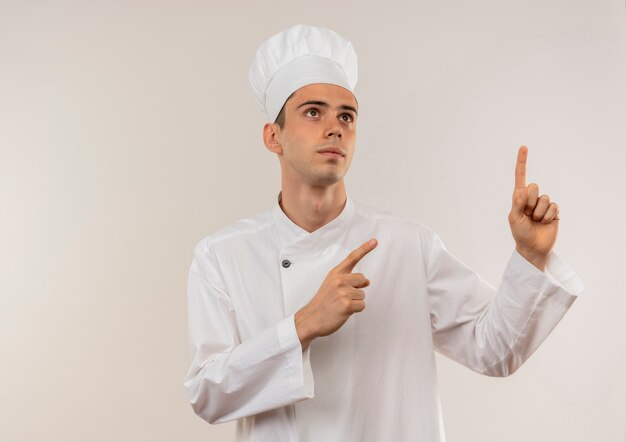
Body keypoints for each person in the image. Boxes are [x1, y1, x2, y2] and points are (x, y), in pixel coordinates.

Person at [183, 24, 584, 442]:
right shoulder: (222, 255)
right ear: (273, 137)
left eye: (346, 116)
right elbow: (206, 394)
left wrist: (530, 256)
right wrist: (302, 325)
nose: (335, 127)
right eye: (313, 112)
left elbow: (496, 351)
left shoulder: (408, 246)